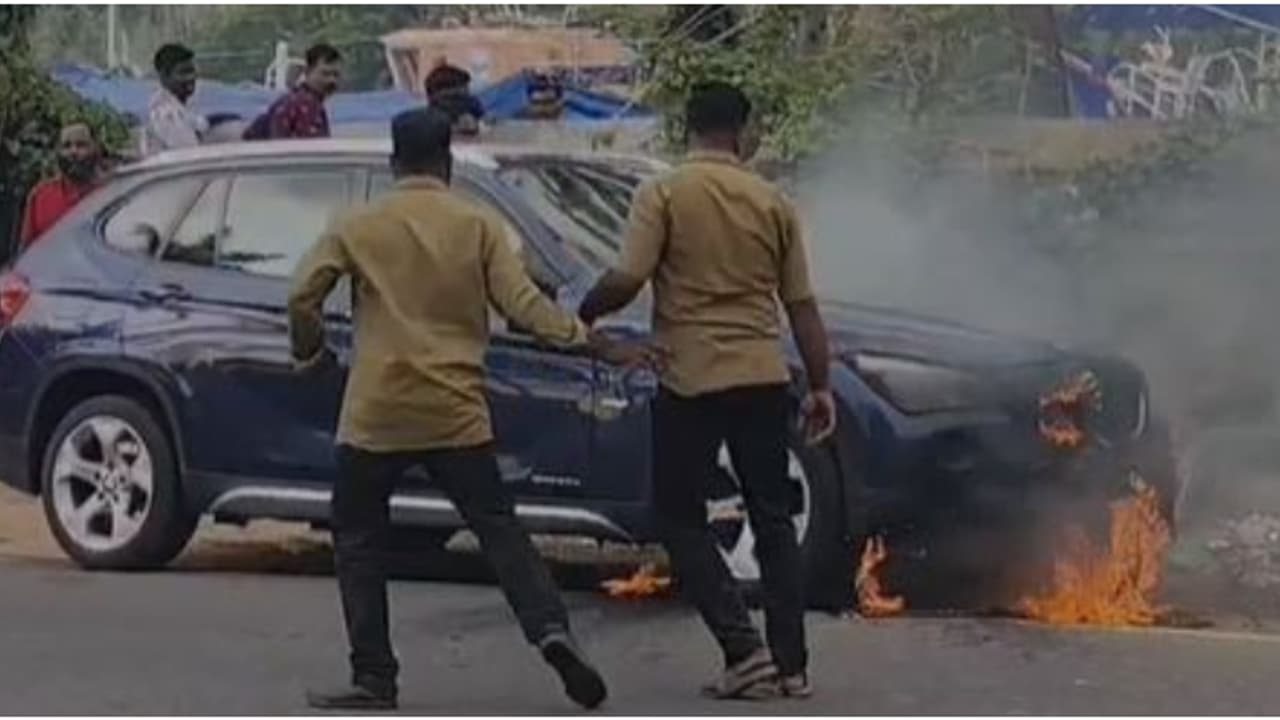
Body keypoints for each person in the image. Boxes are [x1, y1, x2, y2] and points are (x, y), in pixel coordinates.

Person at [290, 108, 660, 711]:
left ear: (393, 163)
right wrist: (595, 343)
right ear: (447, 163)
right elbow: (525, 308)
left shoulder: (357, 224)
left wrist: (309, 355)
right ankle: (551, 630)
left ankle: (374, 675)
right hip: (456, 411)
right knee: (499, 529)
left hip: (376, 412)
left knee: (357, 539)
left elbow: (302, 295)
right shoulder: (479, 225)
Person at [577, 81, 836, 701]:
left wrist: (585, 313)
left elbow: (629, 275)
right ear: (743, 133)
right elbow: (801, 306)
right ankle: (791, 665)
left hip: (689, 378)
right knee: (773, 519)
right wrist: (821, 386)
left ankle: (742, 650)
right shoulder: (773, 201)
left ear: (686, 128)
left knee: (678, 516)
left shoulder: (663, 192)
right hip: (761, 376)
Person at [20, 123, 105, 248]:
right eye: (66, 146)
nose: (73, 151)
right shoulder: (40, 195)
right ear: (58, 152)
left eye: (81, 145)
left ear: (95, 149)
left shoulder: (108, 194)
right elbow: (27, 251)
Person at [245, 43, 342, 140]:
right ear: (308, 72)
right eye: (325, 74)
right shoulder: (305, 104)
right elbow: (311, 147)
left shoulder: (294, 99)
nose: (331, 80)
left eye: (336, 75)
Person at [143, 43, 206, 155]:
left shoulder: (183, 107)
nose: (191, 77)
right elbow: (190, 154)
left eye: (192, 71)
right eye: (183, 73)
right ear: (164, 76)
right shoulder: (166, 115)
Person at [424, 63, 484, 138]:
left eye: (466, 95)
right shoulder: (425, 126)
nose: (463, 103)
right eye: (456, 98)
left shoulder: (473, 110)